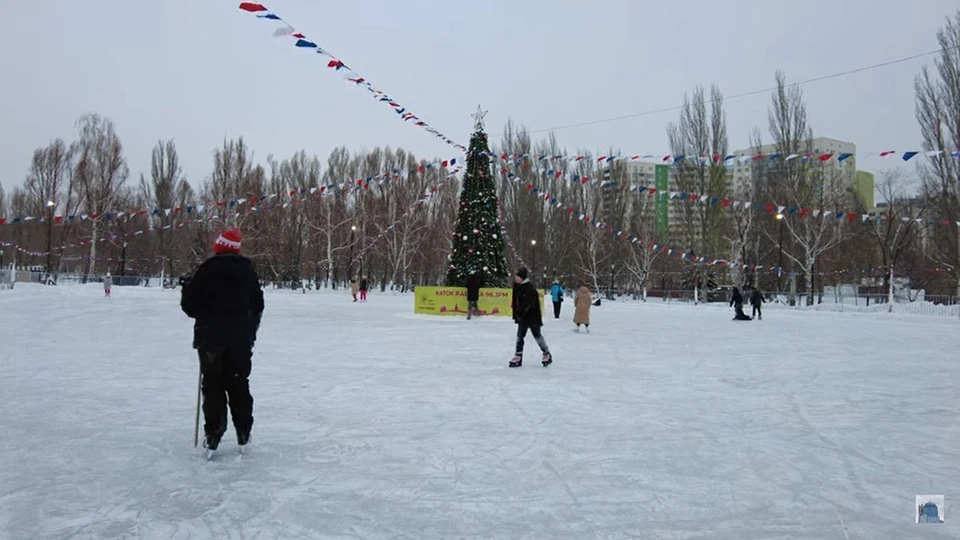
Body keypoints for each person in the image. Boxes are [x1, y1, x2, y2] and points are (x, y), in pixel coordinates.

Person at [180, 227, 264, 456]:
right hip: (240, 339)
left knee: (213, 384)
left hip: (211, 338)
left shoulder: (206, 270)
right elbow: (258, 304)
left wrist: (186, 289)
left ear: (219, 246)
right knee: (238, 382)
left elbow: (191, 308)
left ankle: (214, 433)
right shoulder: (248, 272)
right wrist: (250, 329)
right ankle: (243, 430)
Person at [510, 267, 552, 368]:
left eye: (518, 277)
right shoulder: (517, 287)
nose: (516, 279)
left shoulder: (530, 289)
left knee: (537, 336)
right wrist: (516, 313)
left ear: (523, 278)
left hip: (532, 316)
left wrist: (521, 311)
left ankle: (546, 353)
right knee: (520, 336)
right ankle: (518, 355)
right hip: (522, 317)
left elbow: (529, 304)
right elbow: (515, 301)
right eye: (516, 277)